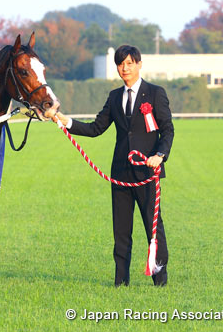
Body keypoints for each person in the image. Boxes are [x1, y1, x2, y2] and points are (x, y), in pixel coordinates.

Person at [54, 45, 174, 287]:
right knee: (121, 231)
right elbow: (95, 128)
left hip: (147, 173)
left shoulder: (155, 93)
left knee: (153, 227)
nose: (125, 68)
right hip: (120, 173)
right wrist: (66, 121)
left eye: (129, 63)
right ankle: (121, 281)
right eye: (121, 63)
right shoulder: (113, 97)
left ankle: (160, 280)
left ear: (139, 64)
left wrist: (160, 155)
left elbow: (168, 129)